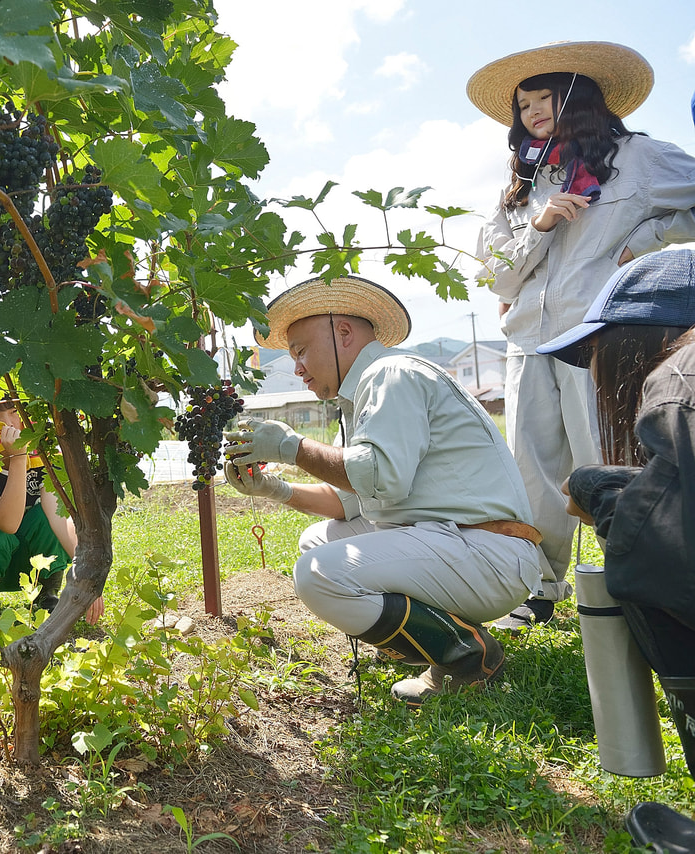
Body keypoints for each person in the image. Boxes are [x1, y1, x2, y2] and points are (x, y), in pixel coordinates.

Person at [223, 275, 546, 705]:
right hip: (461, 543)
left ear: (343, 333)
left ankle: (463, 656)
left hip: (486, 550)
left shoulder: (392, 374)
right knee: (317, 541)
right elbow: (350, 500)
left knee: (318, 574)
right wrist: (273, 488)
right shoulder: (368, 392)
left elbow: (378, 476)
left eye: (301, 351)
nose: (297, 367)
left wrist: (290, 447)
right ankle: (428, 640)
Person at [468, 41, 695, 629]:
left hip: (600, 336)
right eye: (523, 104)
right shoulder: (524, 182)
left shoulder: (638, 158)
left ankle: (638, 583)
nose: (533, 111)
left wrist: (645, 242)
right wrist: (539, 224)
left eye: (545, 96)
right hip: (527, 340)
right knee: (531, 464)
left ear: (581, 96)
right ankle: (541, 589)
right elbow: (494, 271)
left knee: (608, 457)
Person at [537, 250, 695, 850]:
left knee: (640, 577)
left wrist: (600, 496)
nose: (596, 371)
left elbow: (678, 559)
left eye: (597, 349)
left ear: (637, 338)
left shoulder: (678, 380)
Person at [0, 398, 103, 625]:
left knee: (45, 518)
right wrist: (19, 459)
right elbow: (7, 523)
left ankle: (47, 594)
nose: (10, 424)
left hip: (24, 559)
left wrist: (88, 576)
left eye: (14, 411)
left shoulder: (41, 456)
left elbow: (59, 518)